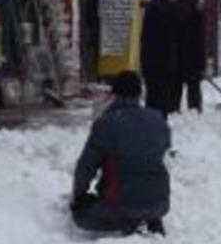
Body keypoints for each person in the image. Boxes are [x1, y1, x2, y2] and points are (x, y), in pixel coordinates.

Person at [70, 71, 171, 236]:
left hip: (122, 204)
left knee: (81, 216)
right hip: (161, 202)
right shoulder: (158, 119)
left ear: (114, 94)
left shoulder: (105, 124)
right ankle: (149, 218)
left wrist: (79, 197)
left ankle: (131, 221)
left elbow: (85, 167)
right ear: (140, 94)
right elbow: (163, 148)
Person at [141, 0, 182, 118]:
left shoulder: (157, 7)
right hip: (160, 65)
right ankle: (154, 130)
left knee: (156, 101)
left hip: (156, 64)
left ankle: (154, 128)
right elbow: (168, 39)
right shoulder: (161, 9)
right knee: (158, 103)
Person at [178, 0, 206, 112]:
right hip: (193, 58)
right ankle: (194, 111)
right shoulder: (197, 12)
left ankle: (174, 109)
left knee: (175, 86)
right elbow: (199, 40)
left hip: (177, 56)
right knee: (193, 88)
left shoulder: (177, 8)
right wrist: (201, 63)